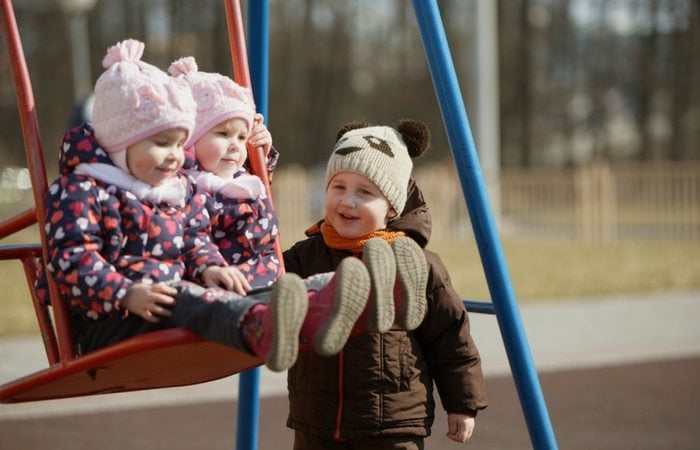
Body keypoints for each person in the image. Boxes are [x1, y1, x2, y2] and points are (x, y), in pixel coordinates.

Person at [38, 39, 388, 373]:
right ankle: (261, 326)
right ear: (119, 141)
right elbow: (70, 258)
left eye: (179, 144)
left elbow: (190, 238)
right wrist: (125, 293)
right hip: (108, 320)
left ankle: (331, 294)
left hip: (167, 302)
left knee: (225, 290)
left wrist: (208, 267)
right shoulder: (81, 190)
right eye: (162, 143)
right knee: (194, 295)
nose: (176, 155)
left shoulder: (164, 191)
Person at [283, 119, 489, 448]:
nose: (347, 201)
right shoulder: (303, 258)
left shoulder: (416, 263)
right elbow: (267, 287)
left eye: (364, 192)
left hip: (391, 424)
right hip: (317, 420)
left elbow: (449, 340)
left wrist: (462, 404)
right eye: (338, 187)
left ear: (391, 205)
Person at [167, 56, 279, 289]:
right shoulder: (185, 184)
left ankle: (323, 294)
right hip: (222, 281)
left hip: (264, 272)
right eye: (223, 134)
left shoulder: (243, 176)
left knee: (298, 291)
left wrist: (263, 153)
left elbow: (260, 184)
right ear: (190, 141)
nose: (236, 145)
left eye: (241, 137)